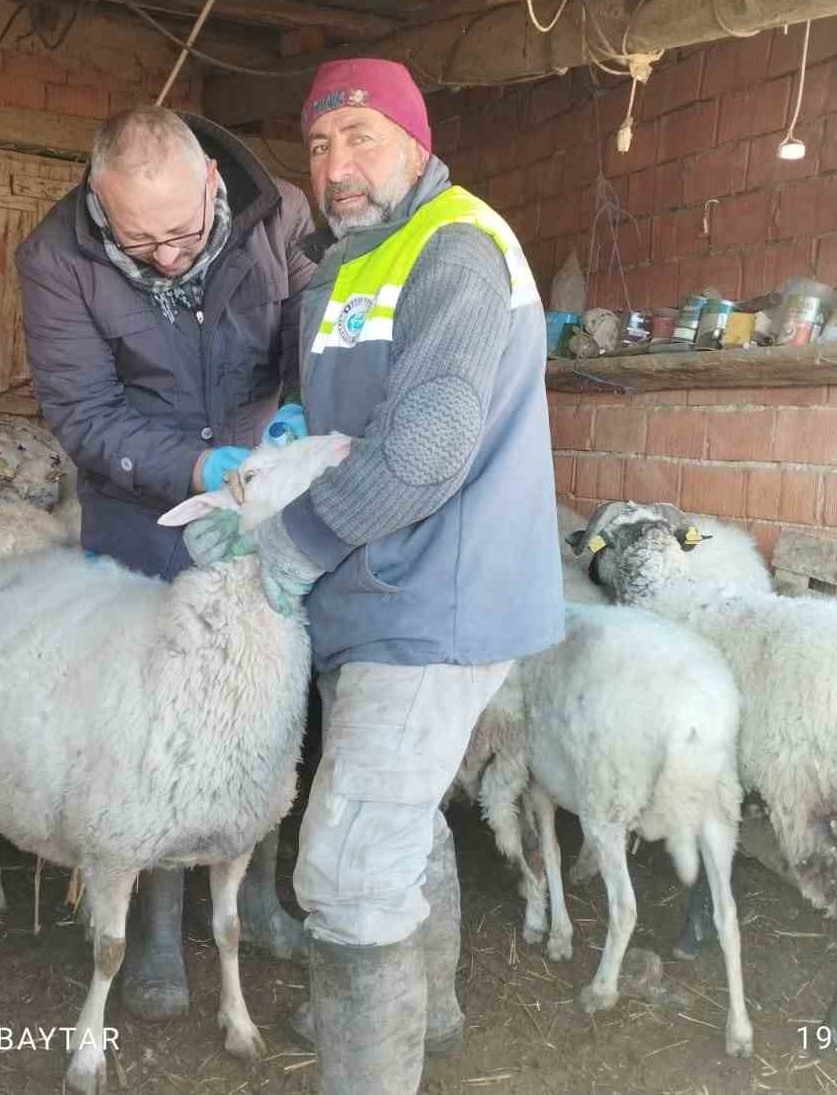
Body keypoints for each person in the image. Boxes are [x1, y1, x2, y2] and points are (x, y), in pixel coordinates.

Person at [186, 58, 565, 1091]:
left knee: (347, 869)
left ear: (413, 139)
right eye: (318, 145)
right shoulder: (352, 258)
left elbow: (433, 441)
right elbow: (352, 423)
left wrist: (290, 545)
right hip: (378, 583)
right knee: (398, 823)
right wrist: (292, 453)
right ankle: (426, 1016)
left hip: (432, 591)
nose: (337, 164)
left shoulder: (454, 249)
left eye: (360, 137)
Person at [16, 105, 316, 1022]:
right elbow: (81, 411)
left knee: (263, 690)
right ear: (99, 207)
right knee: (152, 714)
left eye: (183, 231)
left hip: (260, 491)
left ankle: (258, 884)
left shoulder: (280, 217)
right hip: (142, 500)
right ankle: (151, 928)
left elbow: (320, 326)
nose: (167, 253)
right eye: (138, 239)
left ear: (214, 188)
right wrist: (193, 467)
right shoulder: (55, 260)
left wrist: (301, 408)